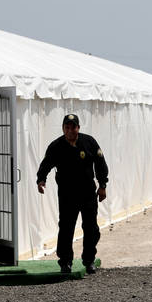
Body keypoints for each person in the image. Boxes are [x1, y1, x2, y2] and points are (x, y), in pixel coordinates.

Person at [35, 114, 109, 274]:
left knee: (91, 228)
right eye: (67, 127)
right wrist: (41, 180)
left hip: (88, 193)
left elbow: (100, 163)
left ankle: (89, 261)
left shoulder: (89, 142)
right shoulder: (56, 146)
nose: (70, 130)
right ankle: (65, 262)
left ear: (78, 128)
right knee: (66, 228)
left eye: (73, 127)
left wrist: (102, 185)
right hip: (67, 195)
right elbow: (46, 163)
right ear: (63, 129)